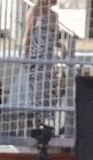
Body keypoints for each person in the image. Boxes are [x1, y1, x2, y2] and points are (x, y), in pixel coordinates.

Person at [23, 0, 61, 129]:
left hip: (49, 58)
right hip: (36, 56)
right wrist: (25, 56)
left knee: (49, 91)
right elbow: (28, 34)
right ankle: (35, 125)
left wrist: (63, 47)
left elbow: (54, 39)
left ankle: (45, 124)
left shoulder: (54, 15)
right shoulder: (35, 11)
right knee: (36, 91)